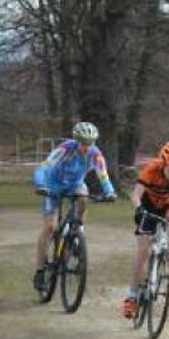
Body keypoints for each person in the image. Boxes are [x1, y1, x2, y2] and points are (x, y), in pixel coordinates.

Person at [32, 122, 117, 291]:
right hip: (53, 185)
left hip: (74, 185)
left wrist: (110, 192)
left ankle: (77, 233)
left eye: (90, 142)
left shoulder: (95, 154)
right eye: (83, 142)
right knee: (50, 227)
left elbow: (103, 175)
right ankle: (40, 270)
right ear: (76, 140)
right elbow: (43, 167)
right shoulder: (65, 149)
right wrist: (41, 185)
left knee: (83, 197)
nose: (86, 146)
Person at [121, 142, 169, 318]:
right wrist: (138, 209)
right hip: (147, 206)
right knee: (143, 250)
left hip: (166, 204)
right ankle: (132, 296)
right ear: (163, 165)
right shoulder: (151, 170)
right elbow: (136, 194)